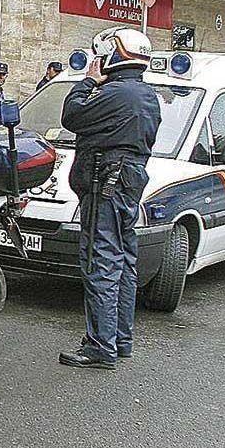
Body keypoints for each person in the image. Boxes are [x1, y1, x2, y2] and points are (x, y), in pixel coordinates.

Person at [58, 27, 161, 369]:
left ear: (115, 54)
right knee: (124, 259)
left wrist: (88, 81)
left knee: (100, 260)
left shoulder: (116, 92)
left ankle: (101, 346)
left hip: (107, 182)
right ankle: (120, 339)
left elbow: (72, 116)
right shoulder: (145, 94)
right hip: (125, 181)